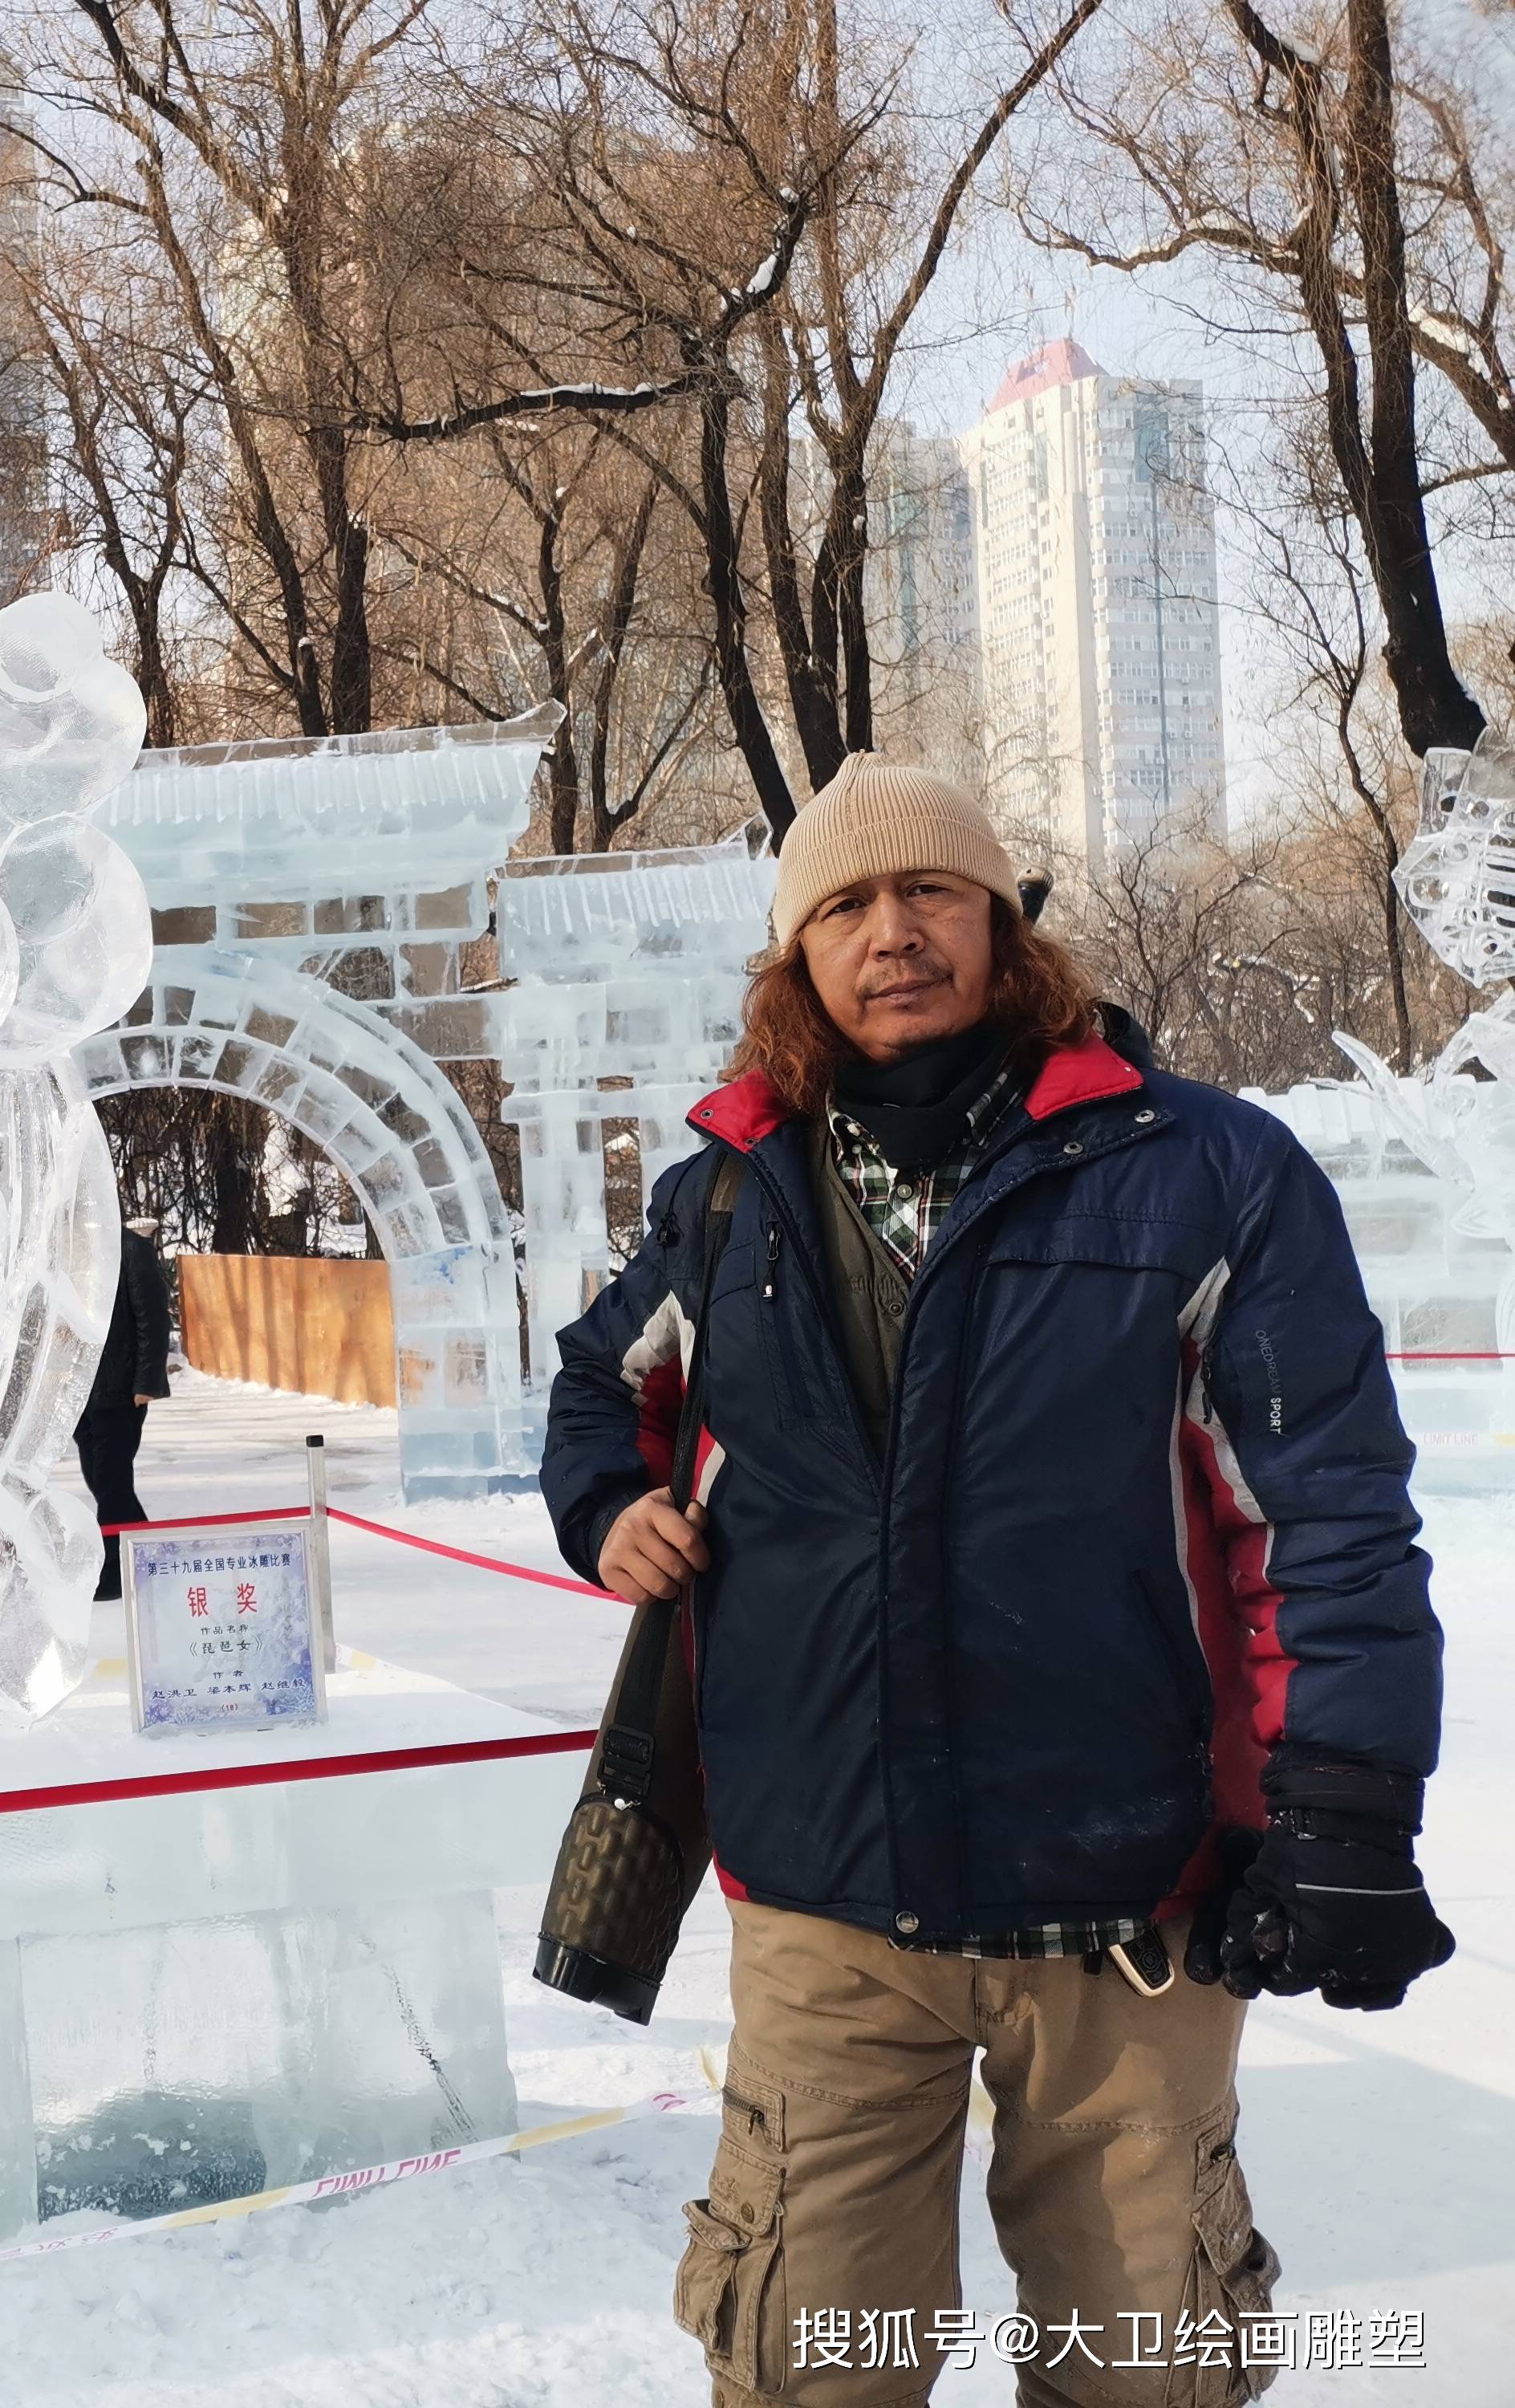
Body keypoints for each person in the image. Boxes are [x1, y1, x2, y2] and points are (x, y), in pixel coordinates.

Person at [542, 757, 1451, 2408]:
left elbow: (1320, 1508)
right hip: (821, 1900)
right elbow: (598, 1384)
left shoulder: (1202, 1172)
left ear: (998, 920)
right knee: (815, 2372)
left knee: (1137, 2374)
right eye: (842, 905)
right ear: (793, 955)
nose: (890, 933)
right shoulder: (724, 1194)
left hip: (1126, 1901)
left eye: (927, 892)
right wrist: (603, 1502)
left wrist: (1344, 1809)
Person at [77, 1214, 173, 1600]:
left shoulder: (130, 1250)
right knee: (100, 1480)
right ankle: (154, 1557)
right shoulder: (70, 1257)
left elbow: (153, 1319)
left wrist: (146, 1384)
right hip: (82, 1393)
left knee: (112, 1484)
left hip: (120, 1391)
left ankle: (116, 1571)